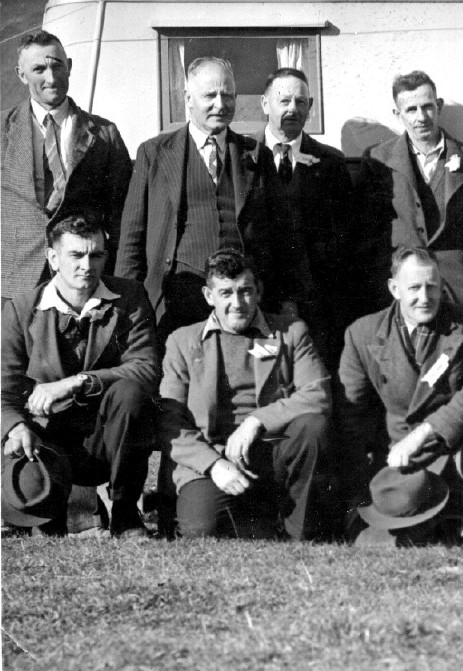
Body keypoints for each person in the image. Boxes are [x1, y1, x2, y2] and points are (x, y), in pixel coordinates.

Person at [115, 57, 296, 344]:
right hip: (175, 298)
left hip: (241, 302)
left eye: (227, 95)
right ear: (188, 98)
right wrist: (126, 305)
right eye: (210, 95)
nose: (220, 104)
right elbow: (131, 238)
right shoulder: (154, 153)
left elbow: (283, 235)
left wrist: (287, 300)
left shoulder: (256, 154)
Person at [160, 249, 338, 540]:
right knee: (201, 531)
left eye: (245, 291)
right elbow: (170, 421)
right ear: (209, 296)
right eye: (226, 293)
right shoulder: (182, 342)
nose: (237, 303)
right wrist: (214, 465)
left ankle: (299, 533)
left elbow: (317, 393)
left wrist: (256, 421)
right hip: (214, 457)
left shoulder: (290, 333)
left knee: (311, 426)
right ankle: (260, 520)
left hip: (273, 449)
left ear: (258, 291)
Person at [338, 247, 463, 548]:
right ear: (394, 289)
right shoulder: (362, 333)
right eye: (414, 288)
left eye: (432, 286)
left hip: (455, 447)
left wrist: (423, 434)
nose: (425, 297)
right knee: (387, 534)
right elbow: (353, 414)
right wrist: (363, 482)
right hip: (402, 458)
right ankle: (420, 524)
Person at [1, 214, 158, 537]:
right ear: (53, 258)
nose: (87, 265)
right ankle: (28, 511)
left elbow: (146, 368)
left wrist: (75, 382)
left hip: (106, 436)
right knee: (36, 504)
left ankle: (126, 515)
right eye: (76, 255)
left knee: (130, 393)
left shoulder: (129, 298)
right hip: (45, 436)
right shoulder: (21, 309)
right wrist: (15, 426)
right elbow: (3, 386)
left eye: (96, 255)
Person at [355, 71, 463, 313]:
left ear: (439, 106)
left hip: (459, 288)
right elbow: (365, 232)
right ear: (398, 114)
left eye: (427, 107)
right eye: (411, 109)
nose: (421, 117)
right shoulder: (377, 160)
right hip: (400, 289)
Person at [2, 30, 132, 300]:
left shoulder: (104, 134)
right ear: (21, 74)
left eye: (57, 66)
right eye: (38, 69)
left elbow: (121, 216)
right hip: (12, 283)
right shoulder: (2, 130)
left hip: (81, 281)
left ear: (69, 67)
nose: (50, 78)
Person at [255, 67, 355, 368]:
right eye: (283, 101)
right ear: (264, 104)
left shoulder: (331, 163)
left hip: (317, 303)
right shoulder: (243, 156)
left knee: (315, 378)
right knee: (265, 376)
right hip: (259, 300)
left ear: (310, 107)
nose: (292, 109)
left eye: (300, 102)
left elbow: (345, 239)